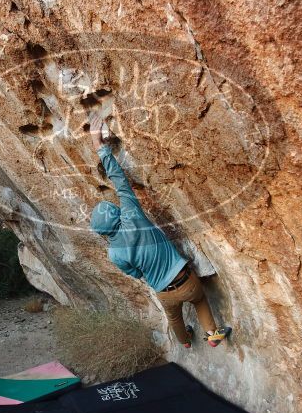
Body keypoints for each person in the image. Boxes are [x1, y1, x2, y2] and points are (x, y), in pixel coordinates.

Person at [88, 114, 232, 348]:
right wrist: (99, 147)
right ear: (115, 213)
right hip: (186, 280)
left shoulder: (114, 254)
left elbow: (135, 274)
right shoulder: (131, 215)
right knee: (200, 301)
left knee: (175, 318)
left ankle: (185, 342)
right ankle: (213, 335)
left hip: (164, 292)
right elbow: (120, 182)